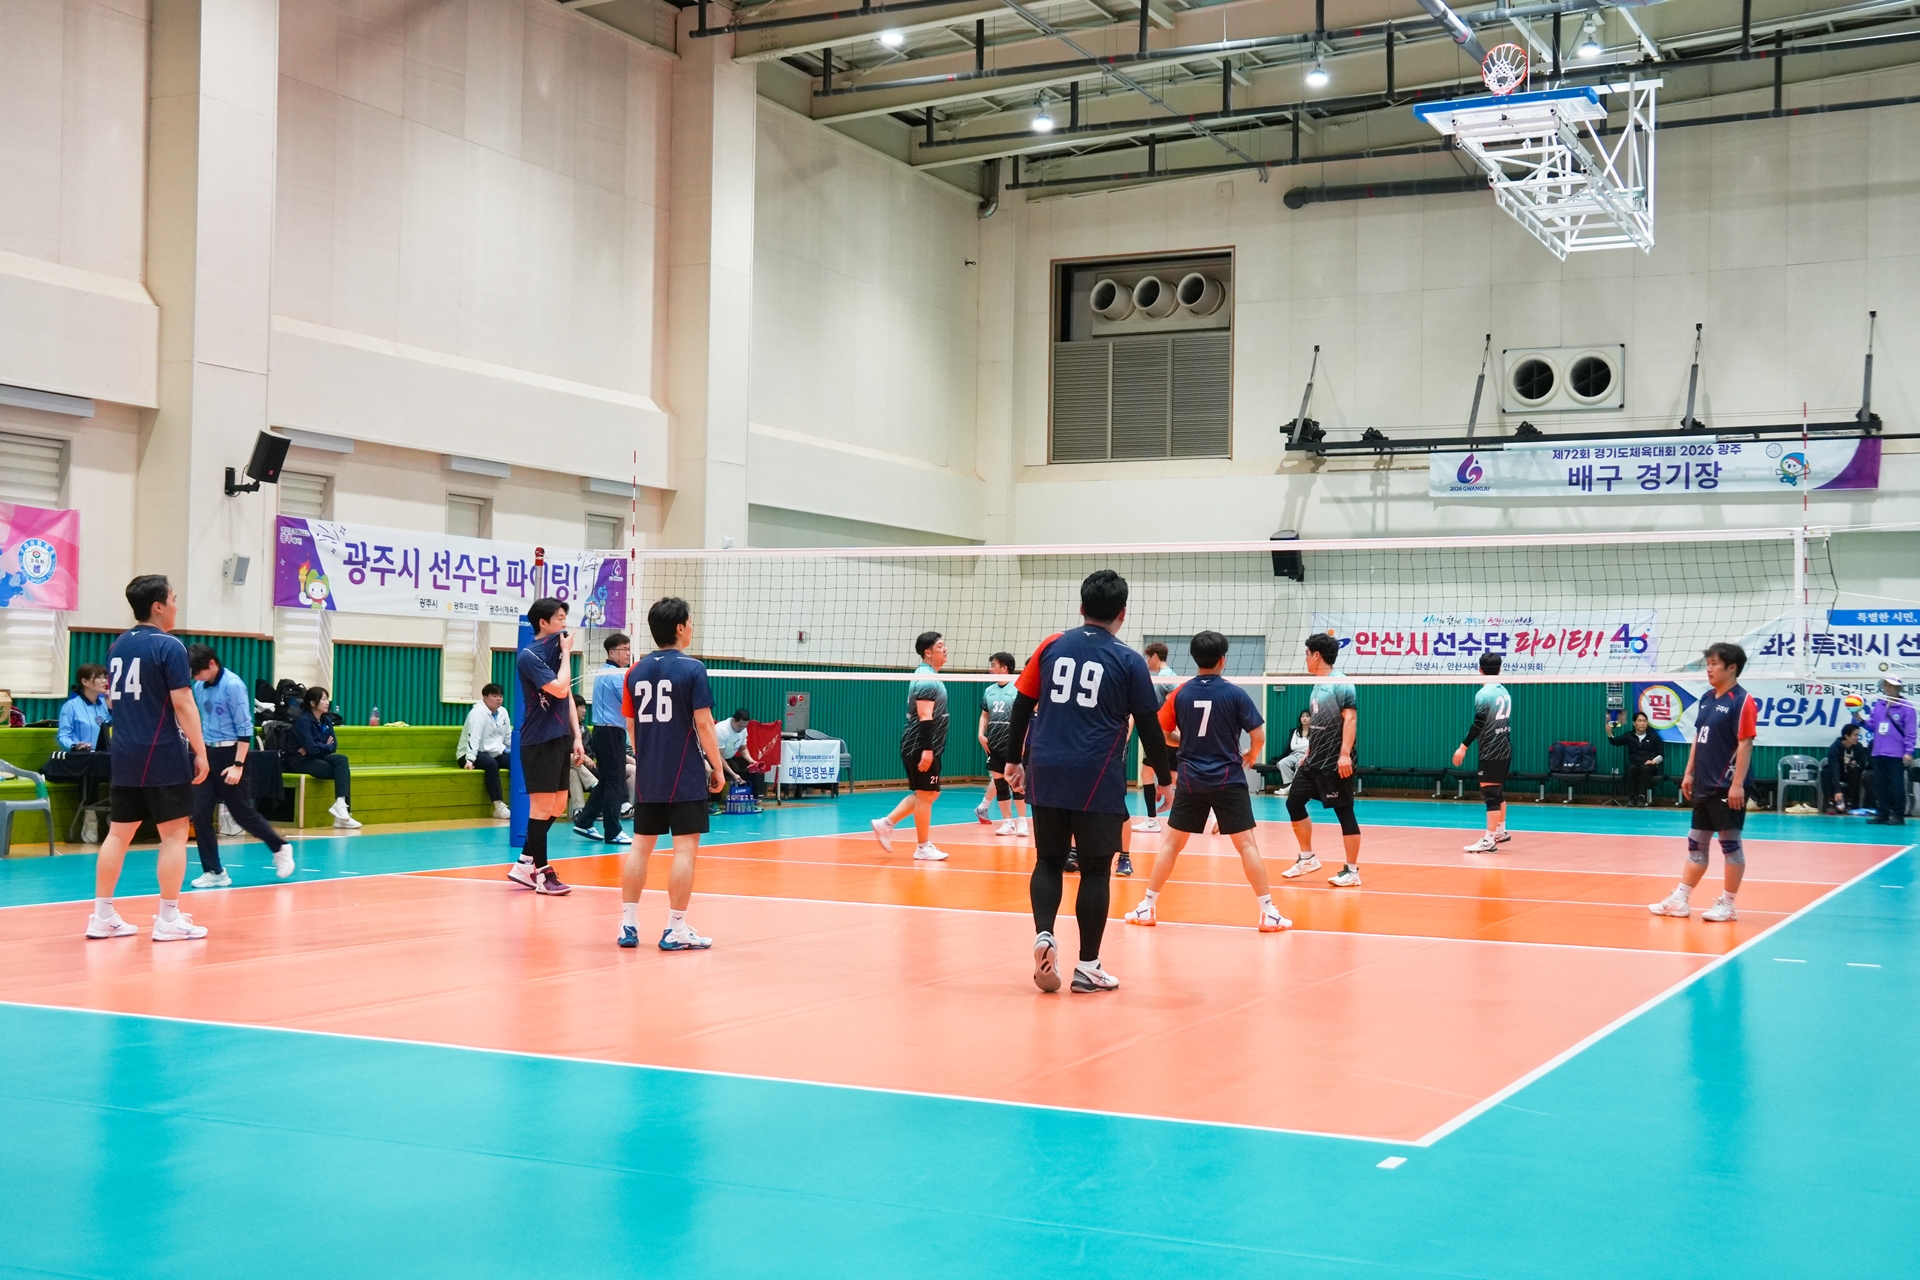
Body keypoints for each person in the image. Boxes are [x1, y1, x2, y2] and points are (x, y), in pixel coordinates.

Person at [1003, 570, 1174, 994]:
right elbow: (1149, 724)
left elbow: (1022, 705)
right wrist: (1164, 777)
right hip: (1096, 773)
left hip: (1046, 766)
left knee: (1048, 860)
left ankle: (1044, 934)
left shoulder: (1051, 645)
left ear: (1081, 607)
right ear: (1123, 613)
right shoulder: (1129, 660)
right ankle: (1088, 967)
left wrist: (1012, 759)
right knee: (1096, 870)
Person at [1125, 631, 1288, 932]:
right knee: (1247, 846)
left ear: (1194, 658)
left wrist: (1185, 741)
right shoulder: (1235, 694)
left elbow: (1162, 734)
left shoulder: (1181, 693)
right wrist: (1252, 754)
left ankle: (1147, 906)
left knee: (1171, 845)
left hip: (1191, 779)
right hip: (1228, 779)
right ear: (1223, 659)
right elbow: (1259, 735)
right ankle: (1268, 913)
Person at [85, 575, 212, 941]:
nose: (176, 605)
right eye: (173, 599)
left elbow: (114, 702)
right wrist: (201, 751)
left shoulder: (117, 646)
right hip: (162, 751)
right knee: (173, 835)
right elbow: (184, 704)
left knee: (118, 834)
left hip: (124, 751)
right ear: (158, 606)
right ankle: (168, 919)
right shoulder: (169, 645)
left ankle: (101, 916)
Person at [621, 596, 729, 950]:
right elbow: (705, 723)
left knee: (640, 846)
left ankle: (628, 925)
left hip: (649, 771)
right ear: (680, 627)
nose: (692, 627)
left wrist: (647, 758)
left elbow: (631, 725)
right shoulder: (693, 669)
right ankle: (675, 929)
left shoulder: (634, 671)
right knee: (685, 849)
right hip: (684, 770)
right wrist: (717, 767)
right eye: (691, 621)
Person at [1650, 643, 1757, 923]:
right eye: (1708, 664)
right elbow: (1698, 738)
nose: (1709, 669)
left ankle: (1728, 905)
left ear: (1731, 667)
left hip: (1727, 787)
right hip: (1703, 784)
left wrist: (1738, 785)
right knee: (1696, 844)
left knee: (1730, 846)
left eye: (1714, 664)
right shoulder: (1707, 698)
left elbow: (1745, 744)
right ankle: (1680, 900)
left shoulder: (1742, 701)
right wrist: (1689, 773)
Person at [186, 644, 294, 886]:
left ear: (212, 663)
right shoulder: (200, 686)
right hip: (209, 753)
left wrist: (238, 764)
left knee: (241, 813)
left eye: (198, 672)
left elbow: (245, 727)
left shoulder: (233, 685)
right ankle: (214, 871)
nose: (196, 677)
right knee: (200, 812)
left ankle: (280, 847)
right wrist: (201, 754)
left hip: (232, 753)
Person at [507, 597, 586, 894]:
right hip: (538, 740)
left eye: (565, 617)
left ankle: (524, 863)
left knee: (559, 804)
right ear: (543, 622)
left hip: (560, 737)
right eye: (559, 618)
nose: (565, 622)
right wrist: (566, 654)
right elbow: (560, 688)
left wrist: (577, 736)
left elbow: (568, 697)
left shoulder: (557, 647)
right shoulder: (530, 655)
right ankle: (542, 874)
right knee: (540, 809)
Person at [1280, 632, 1362, 887]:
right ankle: (1307, 858)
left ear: (1316, 655)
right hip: (1313, 760)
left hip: (1334, 762)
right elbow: (1319, 724)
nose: (1305, 659)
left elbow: (1350, 718)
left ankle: (1352, 871)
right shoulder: (1317, 684)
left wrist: (1345, 754)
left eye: (1307, 654)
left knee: (1344, 812)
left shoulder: (1341, 683)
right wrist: (1308, 750)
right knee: (1294, 802)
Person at [871, 631, 952, 861]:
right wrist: (927, 749)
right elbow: (925, 715)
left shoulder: (929, 675)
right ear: (928, 652)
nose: (945, 649)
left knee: (930, 793)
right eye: (940, 646)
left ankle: (886, 823)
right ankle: (922, 847)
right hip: (919, 745)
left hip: (924, 744)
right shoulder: (926, 678)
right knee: (926, 794)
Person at [574, 634, 634, 845]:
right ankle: (613, 831)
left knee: (608, 780)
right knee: (615, 782)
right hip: (611, 732)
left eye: (629, 649)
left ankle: (584, 821)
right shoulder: (616, 675)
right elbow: (630, 703)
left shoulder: (603, 671)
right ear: (612, 652)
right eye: (624, 649)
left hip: (603, 731)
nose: (628, 653)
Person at [1452, 652, 1514, 854]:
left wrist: (1463, 746)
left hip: (1491, 750)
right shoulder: (1504, 691)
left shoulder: (1483, 694)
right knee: (1496, 791)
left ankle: (1489, 840)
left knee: (1491, 795)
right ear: (1500, 669)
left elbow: (1478, 724)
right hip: (1505, 747)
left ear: (1479, 669)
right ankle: (1500, 832)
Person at [288, 687, 361, 828]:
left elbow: (333, 746)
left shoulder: (326, 720)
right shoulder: (303, 721)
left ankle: (341, 805)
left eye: (327, 699)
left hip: (316, 756)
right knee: (341, 772)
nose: (327, 702)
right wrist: (322, 746)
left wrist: (317, 746)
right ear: (312, 703)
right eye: (323, 699)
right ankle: (343, 815)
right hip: (300, 760)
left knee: (342, 760)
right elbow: (312, 749)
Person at [975, 653, 1028, 837]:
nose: (990, 669)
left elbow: (1025, 718)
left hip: (1012, 743)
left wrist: (1022, 742)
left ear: (1004, 668)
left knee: (1017, 783)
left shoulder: (1018, 688)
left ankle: (1022, 821)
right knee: (1000, 784)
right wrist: (981, 734)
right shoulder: (989, 690)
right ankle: (1008, 822)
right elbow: (984, 715)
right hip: (994, 744)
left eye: (993, 665)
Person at [1857, 677, 1915, 826]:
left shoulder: (1907, 707)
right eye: (1886, 685)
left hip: (1896, 753)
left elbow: (1911, 732)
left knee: (1896, 785)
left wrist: (1909, 751)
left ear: (1898, 688)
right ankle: (1883, 813)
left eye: (1892, 685)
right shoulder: (1879, 705)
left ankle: (1898, 814)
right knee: (1879, 785)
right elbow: (1872, 726)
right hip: (1878, 752)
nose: (1888, 687)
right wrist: (1861, 720)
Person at [1132, 641, 1175, 834]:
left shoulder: (1163, 678)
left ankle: (1152, 820)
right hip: (1169, 735)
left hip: (1162, 735)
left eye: (1148, 658)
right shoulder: (1171, 675)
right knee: (1176, 777)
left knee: (1147, 774)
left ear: (1155, 657)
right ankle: (1214, 813)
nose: (1147, 662)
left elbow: (1171, 702)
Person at [457, 683, 513, 819]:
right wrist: (469, 759)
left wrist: (516, 752)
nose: (498, 699)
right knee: (491, 764)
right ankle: (499, 806)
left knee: (515, 762)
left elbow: (508, 737)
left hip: (493, 752)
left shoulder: (503, 712)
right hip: (468, 753)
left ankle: (519, 802)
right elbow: (473, 737)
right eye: (494, 696)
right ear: (485, 697)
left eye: (500, 696)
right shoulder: (477, 713)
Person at [1607, 709, 1665, 807]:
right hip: (1635, 763)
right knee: (1631, 768)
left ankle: (1641, 797)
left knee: (1645, 769)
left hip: (1649, 764)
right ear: (1634, 723)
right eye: (1640, 721)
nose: (1642, 723)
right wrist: (1609, 733)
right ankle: (1631, 798)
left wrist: (1653, 761)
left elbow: (1662, 755)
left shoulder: (1653, 736)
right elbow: (1615, 742)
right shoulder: (1629, 736)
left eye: (1644, 721)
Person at [713, 709, 766, 803]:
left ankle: (753, 799)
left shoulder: (743, 729)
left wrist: (752, 762)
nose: (742, 729)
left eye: (745, 726)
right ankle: (713, 802)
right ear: (733, 720)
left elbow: (743, 750)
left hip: (729, 759)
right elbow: (718, 756)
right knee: (718, 772)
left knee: (755, 770)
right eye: (740, 726)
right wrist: (733, 774)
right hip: (714, 759)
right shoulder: (721, 730)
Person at [57, 664, 112, 750]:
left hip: (105, 756)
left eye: (105, 677)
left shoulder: (107, 704)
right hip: (82, 756)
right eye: (99, 677)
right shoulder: (71, 706)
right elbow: (63, 736)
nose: (105, 681)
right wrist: (74, 746)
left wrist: (111, 709)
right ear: (85, 682)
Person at [1823, 723, 1870, 814]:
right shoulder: (1834, 748)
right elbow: (1834, 768)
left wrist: (1856, 764)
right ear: (1846, 736)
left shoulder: (1858, 747)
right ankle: (1830, 802)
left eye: (1858, 735)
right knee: (1826, 772)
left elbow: (1863, 763)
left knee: (1855, 771)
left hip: (1851, 774)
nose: (1857, 738)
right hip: (1838, 773)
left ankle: (1850, 802)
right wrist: (1837, 790)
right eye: (1855, 735)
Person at [1275, 709, 1312, 788]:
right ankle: (1291, 785)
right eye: (1302, 716)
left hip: (1306, 755)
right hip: (1295, 754)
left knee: (1299, 765)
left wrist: (1300, 745)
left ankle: (1290, 788)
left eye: (1307, 716)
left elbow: (1311, 745)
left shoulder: (1314, 731)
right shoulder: (1296, 731)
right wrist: (1305, 744)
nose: (1304, 718)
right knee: (1282, 763)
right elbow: (1293, 747)